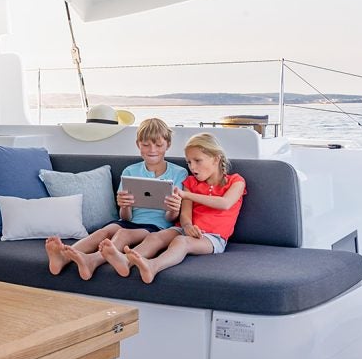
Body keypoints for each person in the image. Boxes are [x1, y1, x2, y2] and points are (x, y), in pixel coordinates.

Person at [45, 117, 188, 280]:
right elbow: (125, 217)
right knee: (103, 232)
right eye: (146, 145)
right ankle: (64, 256)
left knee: (123, 233)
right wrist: (125, 206)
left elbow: (171, 218)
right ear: (138, 145)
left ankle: (93, 260)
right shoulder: (130, 171)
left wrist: (174, 209)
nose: (152, 150)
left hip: (156, 226)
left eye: (158, 145)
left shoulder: (179, 173)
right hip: (130, 221)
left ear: (168, 145)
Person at [106, 132, 246, 284]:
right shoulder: (190, 182)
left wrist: (187, 195)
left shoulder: (236, 181)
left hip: (213, 237)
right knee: (155, 237)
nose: (192, 167)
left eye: (197, 161)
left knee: (181, 242)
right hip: (185, 229)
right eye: (189, 162)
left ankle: (153, 266)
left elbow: (225, 203)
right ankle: (125, 261)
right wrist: (187, 225)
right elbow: (185, 215)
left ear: (216, 158)